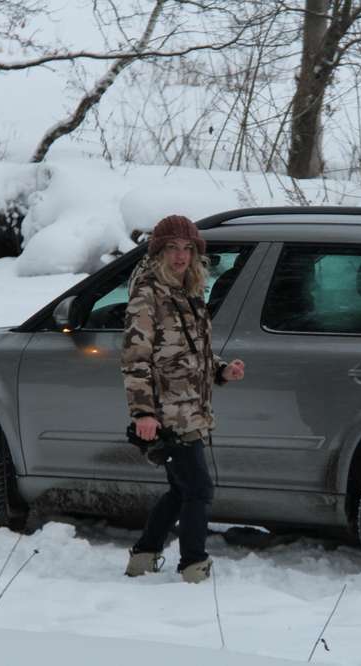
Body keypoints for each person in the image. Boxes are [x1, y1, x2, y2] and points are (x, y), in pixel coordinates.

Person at [121, 214, 245, 583]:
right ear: (159, 251)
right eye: (172, 248)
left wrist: (222, 370)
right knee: (199, 490)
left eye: (187, 249)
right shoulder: (148, 294)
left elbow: (192, 352)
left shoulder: (187, 292)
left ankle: (143, 556)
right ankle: (194, 565)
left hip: (192, 408)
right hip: (167, 413)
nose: (180, 256)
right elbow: (135, 358)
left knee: (181, 490)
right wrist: (144, 412)